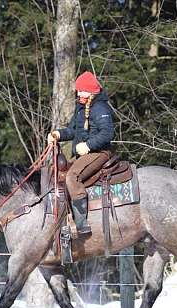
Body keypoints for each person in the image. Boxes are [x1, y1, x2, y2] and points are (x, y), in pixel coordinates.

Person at [48, 71, 115, 235]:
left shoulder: (99, 108)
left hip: (100, 152)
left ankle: (81, 222)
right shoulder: (81, 107)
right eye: (78, 90)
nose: (79, 93)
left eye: (82, 90)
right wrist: (58, 134)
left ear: (91, 91)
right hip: (87, 153)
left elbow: (107, 133)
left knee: (72, 176)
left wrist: (88, 145)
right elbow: (73, 130)